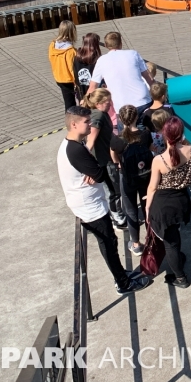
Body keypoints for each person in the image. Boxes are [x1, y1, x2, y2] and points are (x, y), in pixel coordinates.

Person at [56, 105, 149, 294]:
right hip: (90, 208)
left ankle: (121, 274)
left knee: (109, 242)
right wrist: (95, 171)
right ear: (73, 124)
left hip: (89, 203)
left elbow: (95, 172)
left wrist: (93, 170)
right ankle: (123, 283)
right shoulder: (76, 151)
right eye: (86, 122)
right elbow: (99, 174)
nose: (90, 125)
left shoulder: (72, 145)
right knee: (109, 243)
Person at [145, 117, 191, 288]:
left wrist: (148, 207)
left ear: (164, 135)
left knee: (169, 243)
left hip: (162, 205)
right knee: (174, 236)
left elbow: (152, 188)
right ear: (182, 134)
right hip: (181, 201)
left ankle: (181, 278)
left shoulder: (159, 160)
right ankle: (178, 259)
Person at [112, 105, 154, 255]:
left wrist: (119, 165)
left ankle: (135, 243)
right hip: (146, 175)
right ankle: (152, 237)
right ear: (137, 117)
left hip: (128, 177)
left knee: (130, 210)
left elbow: (114, 155)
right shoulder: (145, 134)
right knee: (147, 206)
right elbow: (151, 149)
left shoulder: (118, 139)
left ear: (121, 120)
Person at [84, 88, 126, 228]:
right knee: (113, 191)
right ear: (98, 103)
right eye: (108, 101)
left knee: (113, 190)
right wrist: (87, 167)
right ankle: (117, 218)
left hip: (106, 158)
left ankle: (115, 214)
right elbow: (90, 142)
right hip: (104, 161)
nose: (110, 104)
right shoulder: (98, 116)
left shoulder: (102, 114)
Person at [88, 32, 154, 113]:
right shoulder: (133, 54)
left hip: (121, 105)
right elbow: (149, 78)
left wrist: (85, 103)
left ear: (105, 45)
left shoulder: (101, 60)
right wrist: (157, 94)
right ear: (121, 43)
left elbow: (93, 86)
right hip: (142, 100)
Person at [48, 21, 78, 111]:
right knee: (71, 104)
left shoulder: (52, 45)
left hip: (58, 77)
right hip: (68, 80)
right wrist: (76, 82)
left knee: (68, 101)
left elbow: (51, 58)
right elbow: (72, 68)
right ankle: (70, 122)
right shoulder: (70, 51)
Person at [73, 33, 102, 102]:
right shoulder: (97, 59)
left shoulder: (77, 57)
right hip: (94, 94)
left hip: (81, 92)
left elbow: (75, 74)